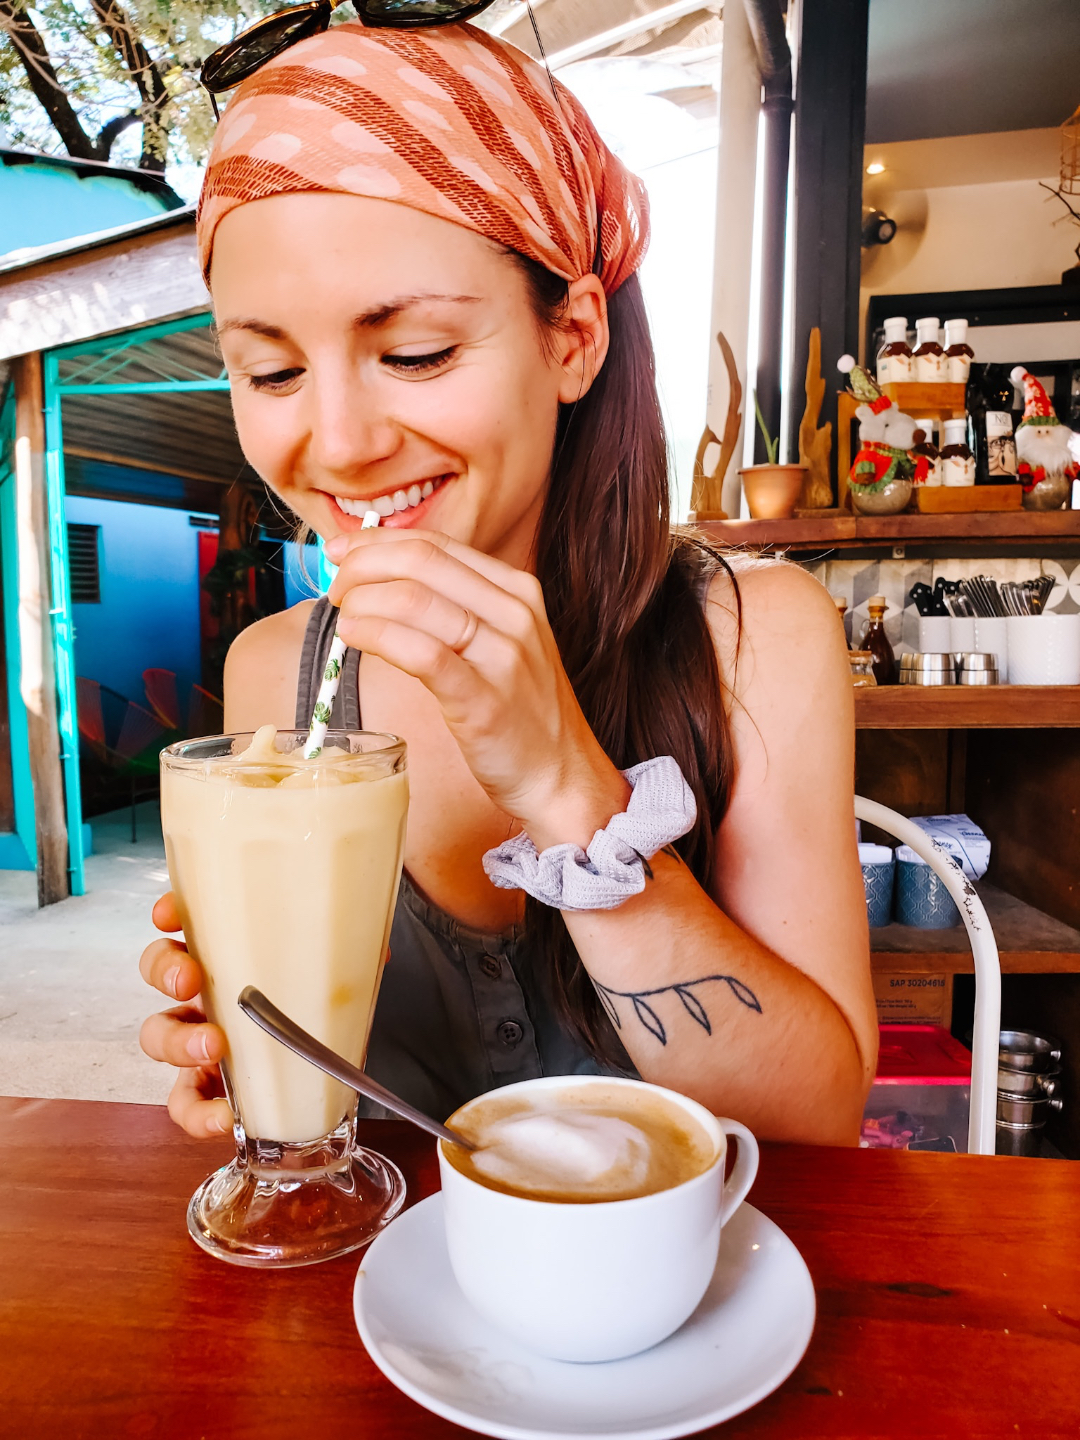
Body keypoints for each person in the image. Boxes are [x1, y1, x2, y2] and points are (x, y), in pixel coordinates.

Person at [139, 15, 876, 1147]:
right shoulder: (275, 677)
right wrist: (243, 1064)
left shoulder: (752, 636)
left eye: (416, 353)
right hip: (382, 1264)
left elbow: (817, 1121)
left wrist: (569, 789)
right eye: (272, 370)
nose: (338, 444)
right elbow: (291, 1071)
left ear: (571, 338)